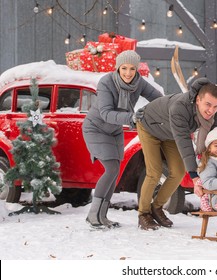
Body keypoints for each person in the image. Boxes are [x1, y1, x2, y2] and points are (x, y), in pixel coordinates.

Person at [82, 50, 163, 229]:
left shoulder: (139, 83)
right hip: (96, 128)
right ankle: (93, 215)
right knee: (111, 169)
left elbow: (158, 98)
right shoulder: (106, 83)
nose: (128, 73)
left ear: (136, 70)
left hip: (115, 130)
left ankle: (102, 216)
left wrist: (168, 107)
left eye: (132, 69)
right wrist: (131, 117)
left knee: (115, 171)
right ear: (118, 68)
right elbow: (105, 113)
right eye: (124, 68)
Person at [135, 77, 217, 230]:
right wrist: (195, 177)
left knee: (178, 172)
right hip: (149, 127)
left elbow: (215, 136)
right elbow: (184, 143)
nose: (211, 110)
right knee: (154, 172)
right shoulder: (180, 108)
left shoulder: (213, 113)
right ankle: (143, 214)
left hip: (169, 133)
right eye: (208, 105)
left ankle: (156, 207)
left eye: (216, 106)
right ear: (197, 100)